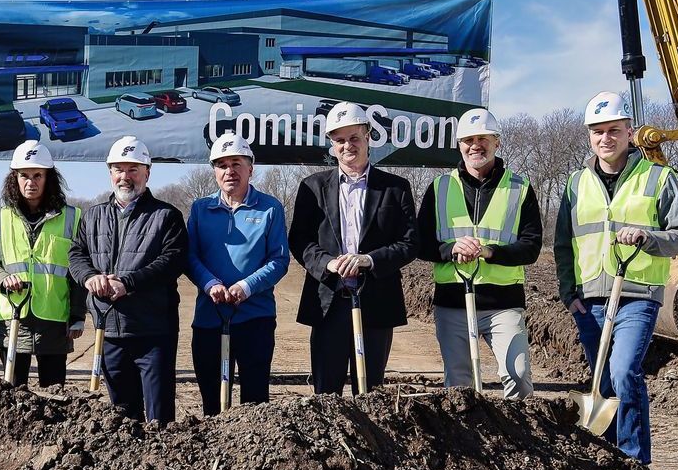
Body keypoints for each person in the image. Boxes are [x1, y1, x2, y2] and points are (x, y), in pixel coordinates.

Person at [554, 90, 678, 463]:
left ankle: (635, 461)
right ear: (589, 136)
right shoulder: (575, 184)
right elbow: (563, 244)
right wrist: (569, 293)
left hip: (637, 294)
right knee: (600, 381)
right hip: (589, 299)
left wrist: (648, 237)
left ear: (630, 132)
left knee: (622, 372)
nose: (606, 138)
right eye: (598, 131)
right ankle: (608, 460)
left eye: (614, 130)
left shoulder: (658, 178)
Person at [288, 102, 418, 395]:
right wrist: (327, 264)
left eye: (354, 137)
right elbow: (299, 240)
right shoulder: (312, 187)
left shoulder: (395, 188)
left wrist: (369, 260)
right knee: (326, 395)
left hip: (377, 302)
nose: (348, 145)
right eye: (340, 140)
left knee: (371, 393)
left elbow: (410, 243)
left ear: (369, 136)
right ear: (332, 145)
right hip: (328, 302)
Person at [416, 108, 543, 398]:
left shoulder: (519, 187)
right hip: (453, 303)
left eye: (483, 138)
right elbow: (420, 244)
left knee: (518, 375)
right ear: (459, 145)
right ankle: (468, 442)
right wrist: (450, 249)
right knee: (459, 386)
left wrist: (488, 251)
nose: (475, 145)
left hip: (504, 303)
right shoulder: (440, 187)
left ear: (497, 142)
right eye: (468, 140)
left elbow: (531, 246)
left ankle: (520, 438)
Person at [70, 136, 189, 422]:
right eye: (119, 169)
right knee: (121, 418)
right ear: (110, 173)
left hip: (153, 332)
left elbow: (172, 262)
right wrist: (89, 278)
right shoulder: (93, 216)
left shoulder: (166, 216)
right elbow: (76, 255)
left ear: (147, 172)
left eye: (133, 169)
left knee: (159, 419)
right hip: (108, 331)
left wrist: (128, 283)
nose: (126, 177)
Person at [185, 131, 290, 414]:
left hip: (255, 318)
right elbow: (189, 256)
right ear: (214, 171)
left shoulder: (270, 208)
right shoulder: (200, 209)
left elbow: (279, 260)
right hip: (209, 318)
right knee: (212, 400)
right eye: (222, 165)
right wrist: (209, 284)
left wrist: (246, 286)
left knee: (254, 403)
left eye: (236, 163)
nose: (229, 171)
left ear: (250, 168)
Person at [0, 140, 85, 387]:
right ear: (14, 178)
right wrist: (3, 279)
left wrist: (78, 314)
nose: (30, 182)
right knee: (12, 393)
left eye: (38, 175)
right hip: (12, 317)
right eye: (24, 175)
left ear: (49, 178)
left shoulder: (72, 217)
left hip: (55, 319)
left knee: (55, 392)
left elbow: (78, 270)